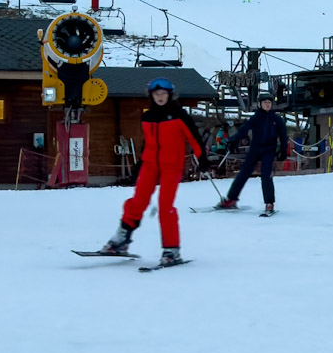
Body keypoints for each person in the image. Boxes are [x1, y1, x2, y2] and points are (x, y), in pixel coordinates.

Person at [94, 78, 205, 266]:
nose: (160, 97)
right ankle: (121, 240)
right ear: (151, 95)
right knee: (137, 202)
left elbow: (194, 138)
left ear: (170, 95)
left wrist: (202, 159)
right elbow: (148, 143)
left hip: (172, 165)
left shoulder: (179, 115)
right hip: (150, 164)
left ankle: (171, 251)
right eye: (156, 94)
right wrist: (138, 166)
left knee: (165, 206)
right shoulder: (148, 116)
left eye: (163, 94)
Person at [217, 93, 289, 214]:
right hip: (255, 149)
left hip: (269, 150)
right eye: (265, 103)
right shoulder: (255, 118)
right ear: (260, 104)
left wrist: (283, 150)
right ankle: (231, 199)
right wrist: (233, 140)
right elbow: (244, 129)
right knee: (243, 173)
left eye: (269, 103)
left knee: (266, 175)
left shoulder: (276, 119)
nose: (267, 105)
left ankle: (269, 203)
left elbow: (283, 136)